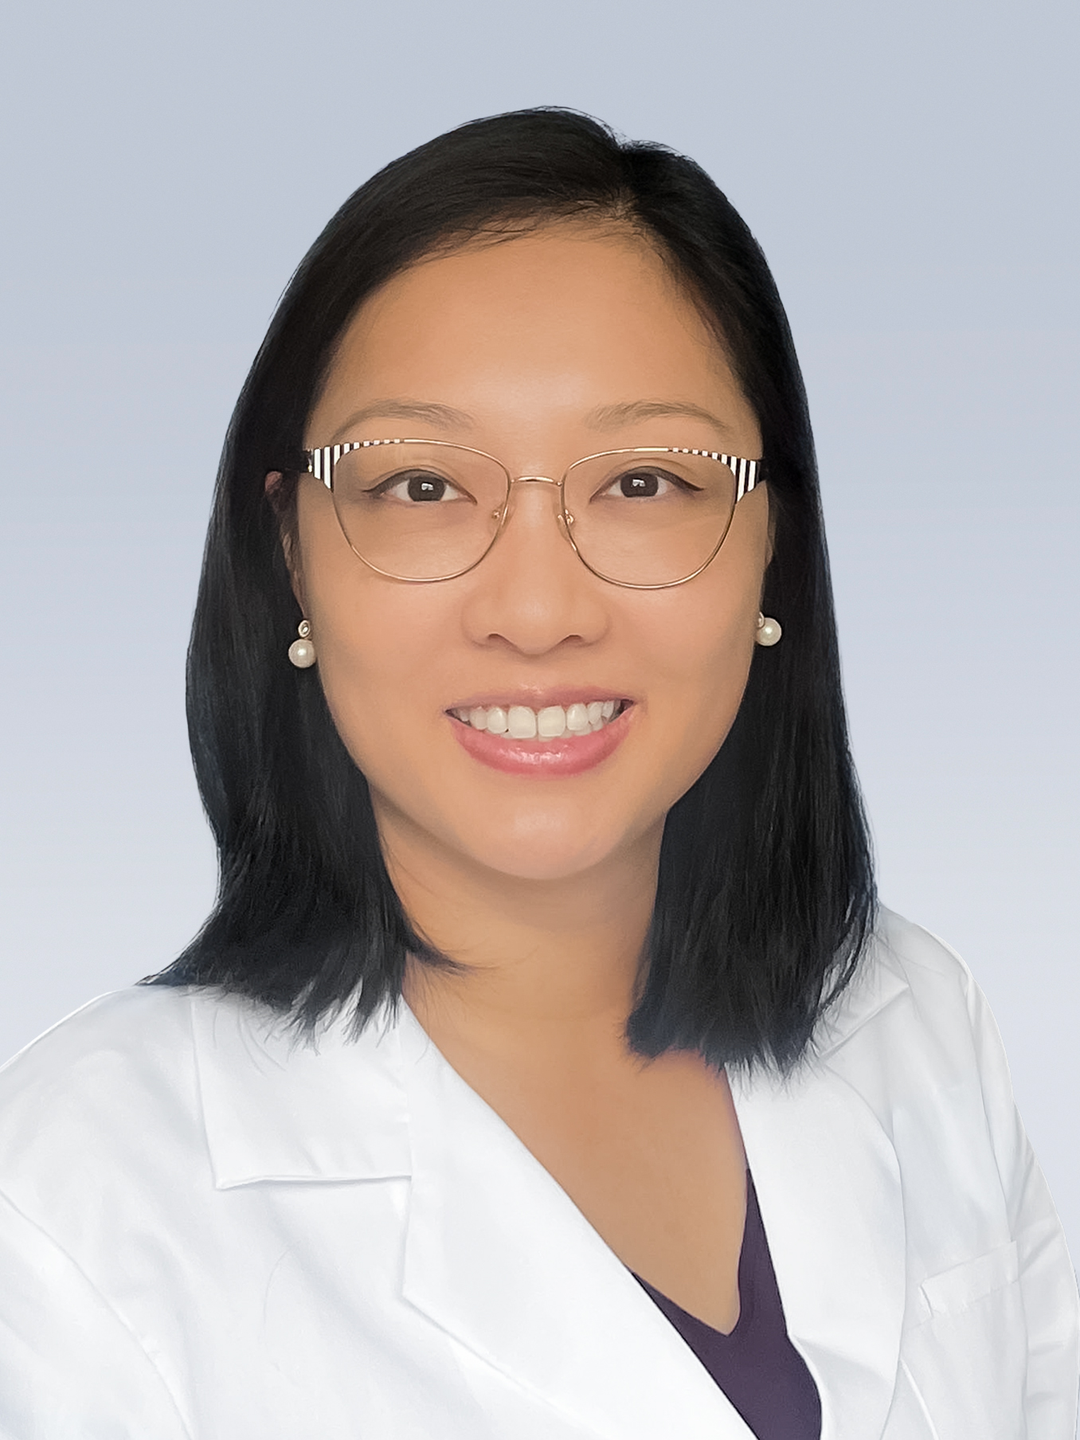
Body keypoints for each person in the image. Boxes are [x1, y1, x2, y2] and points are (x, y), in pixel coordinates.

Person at [0, 108, 1075, 1440]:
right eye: (419, 487)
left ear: (772, 546)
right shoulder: (69, 1209)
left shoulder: (918, 1019)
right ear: (291, 555)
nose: (537, 610)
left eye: (644, 483)